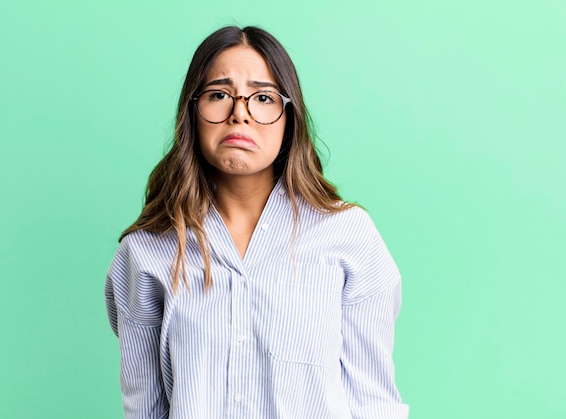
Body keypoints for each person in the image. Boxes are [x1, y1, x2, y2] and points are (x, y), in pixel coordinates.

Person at [105, 26, 409, 419]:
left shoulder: (349, 235)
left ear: (289, 117)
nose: (240, 113)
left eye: (263, 97)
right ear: (191, 113)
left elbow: (374, 403)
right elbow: (144, 408)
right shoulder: (145, 252)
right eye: (218, 95)